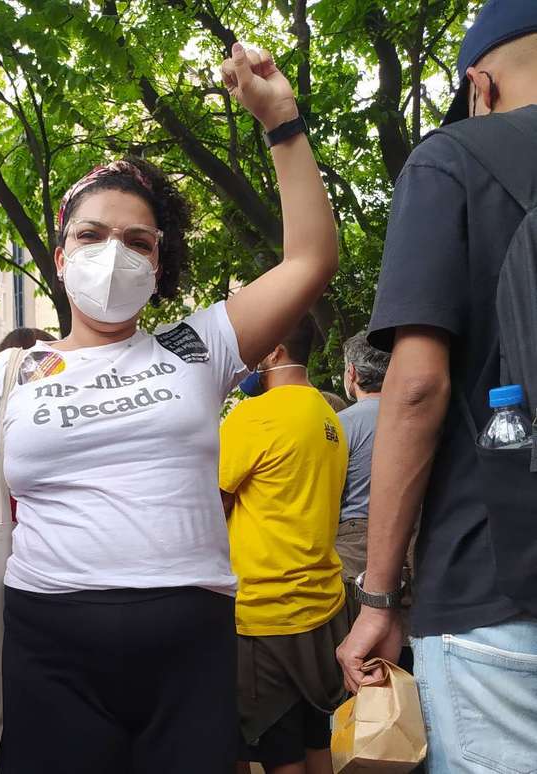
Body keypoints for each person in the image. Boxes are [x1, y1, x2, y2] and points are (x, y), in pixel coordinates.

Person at [0, 42, 338, 774]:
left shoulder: (199, 343)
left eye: (136, 241)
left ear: (158, 262)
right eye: (90, 235)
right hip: (48, 651)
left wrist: (281, 121)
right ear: (60, 255)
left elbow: (308, 260)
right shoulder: (11, 371)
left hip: (192, 654)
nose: (111, 253)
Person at [336, 3, 537, 772]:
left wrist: (380, 598)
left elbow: (416, 387)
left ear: (479, 83)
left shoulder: (452, 159)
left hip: (495, 591)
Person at [220, 316, 349, 774]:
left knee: (281, 754)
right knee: (318, 743)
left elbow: (210, 507)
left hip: (266, 612)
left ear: (274, 350)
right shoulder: (328, 414)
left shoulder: (252, 416)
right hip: (325, 608)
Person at [336, 332, 390, 593]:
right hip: (416, 533)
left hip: (356, 541)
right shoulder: (421, 417)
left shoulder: (341, 423)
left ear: (352, 373)